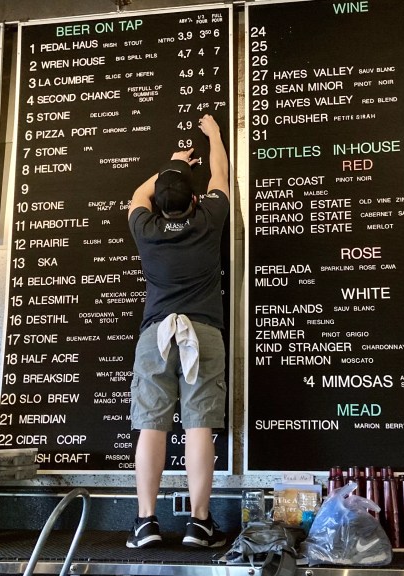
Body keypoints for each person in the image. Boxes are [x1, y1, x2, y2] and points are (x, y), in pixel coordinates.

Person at [126, 114, 230, 549]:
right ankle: (199, 524)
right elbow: (221, 175)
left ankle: (145, 522)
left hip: (156, 335)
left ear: (159, 204)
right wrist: (214, 137)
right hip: (202, 333)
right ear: (195, 198)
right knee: (198, 426)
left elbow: (138, 194)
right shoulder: (209, 218)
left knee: (151, 426)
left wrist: (172, 166)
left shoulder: (144, 228)